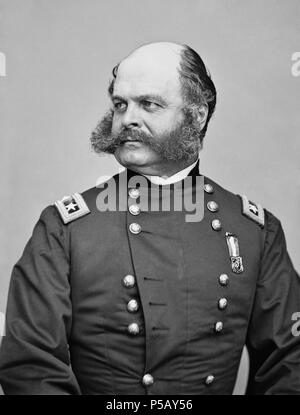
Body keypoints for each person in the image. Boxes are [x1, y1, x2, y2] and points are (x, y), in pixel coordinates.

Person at [0, 42, 299, 395]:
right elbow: (30, 363)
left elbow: (290, 362)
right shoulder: (64, 228)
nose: (127, 118)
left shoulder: (255, 232)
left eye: (149, 104)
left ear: (197, 114)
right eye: (120, 104)